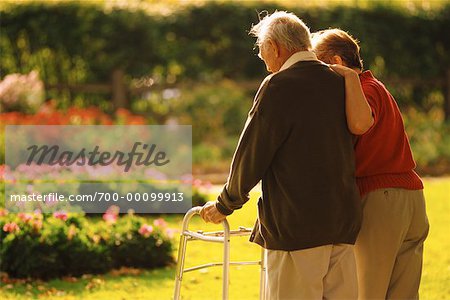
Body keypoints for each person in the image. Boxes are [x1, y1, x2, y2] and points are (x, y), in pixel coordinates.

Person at [200, 12, 362, 299]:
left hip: (297, 227)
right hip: (342, 223)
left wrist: (226, 203)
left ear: (275, 47)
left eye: (263, 52)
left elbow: (252, 152)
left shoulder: (279, 85)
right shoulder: (340, 82)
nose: (265, 63)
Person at [312, 28, 429, 299]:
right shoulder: (378, 87)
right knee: (403, 293)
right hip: (412, 197)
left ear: (336, 63)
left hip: (381, 201)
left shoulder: (363, 90)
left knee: (367, 292)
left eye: (318, 63)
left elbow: (359, 124)